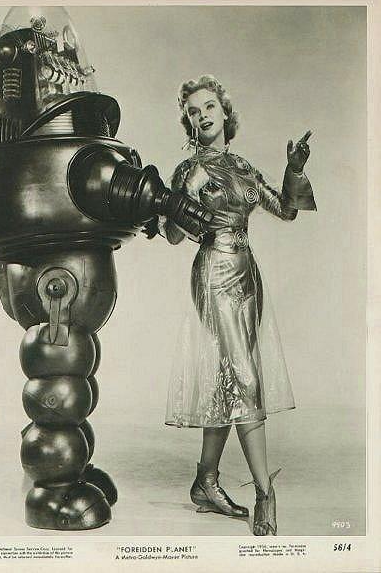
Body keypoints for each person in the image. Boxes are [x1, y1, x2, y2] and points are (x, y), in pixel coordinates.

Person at [162, 75, 316, 536]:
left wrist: (294, 169)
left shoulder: (243, 167)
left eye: (209, 106)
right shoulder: (187, 170)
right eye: (193, 111)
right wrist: (187, 193)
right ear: (189, 123)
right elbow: (172, 235)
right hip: (212, 270)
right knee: (245, 377)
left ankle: (205, 481)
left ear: (225, 112)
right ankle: (265, 492)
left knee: (232, 377)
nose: (202, 115)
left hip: (248, 275)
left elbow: (285, 210)